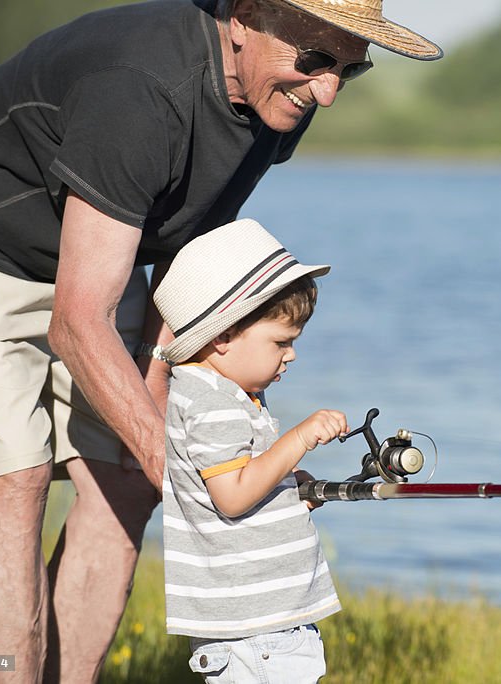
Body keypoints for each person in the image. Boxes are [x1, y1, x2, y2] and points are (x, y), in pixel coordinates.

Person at [0, 0, 440, 681]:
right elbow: (76, 321)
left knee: (125, 476)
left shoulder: (281, 94)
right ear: (243, 18)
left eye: (350, 71)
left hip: (98, 253)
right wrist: (178, 462)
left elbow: (192, 243)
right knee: (16, 477)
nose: (328, 90)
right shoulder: (142, 89)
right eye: (318, 61)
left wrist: (168, 411)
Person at [154, 218, 346, 682]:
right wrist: (296, 440)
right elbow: (233, 495)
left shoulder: (226, 391)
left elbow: (240, 477)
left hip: (261, 623)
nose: (291, 355)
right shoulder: (211, 401)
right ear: (221, 337)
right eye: (281, 342)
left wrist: (287, 485)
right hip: (256, 632)